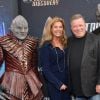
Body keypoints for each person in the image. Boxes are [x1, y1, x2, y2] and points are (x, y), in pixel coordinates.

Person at [0, 15, 43, 100]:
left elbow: (34, 65)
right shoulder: (3, 41)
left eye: (25, 28)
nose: (23, 31)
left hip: (32, 84)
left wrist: (37, 83)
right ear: (11, 28)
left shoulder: (33, 41)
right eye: (19, 28)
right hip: (10, 84)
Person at [67, 14, 100, 100]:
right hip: (77, 91)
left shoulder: (96, 40)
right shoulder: (68, 41)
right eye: (75, 26)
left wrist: (99, 83)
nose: (78, 28)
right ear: (71, 28)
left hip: (94, 90)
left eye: (80, 25)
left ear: (85, 25)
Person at [39, 16, 71, 100]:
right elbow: (45, 70)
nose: (58, 29)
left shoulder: (65, 43)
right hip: (55, 86)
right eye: (55, 27)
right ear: (51, 29)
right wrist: (59, 84)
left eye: (60, 27)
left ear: (63, 29)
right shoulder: (46, 46)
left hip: (67, 84)